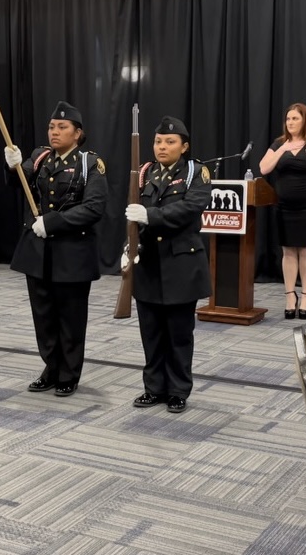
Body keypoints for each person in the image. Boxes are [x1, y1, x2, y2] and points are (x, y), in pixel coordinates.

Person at [3, 101, 108, 397]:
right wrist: (11, 165)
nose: (55, 132)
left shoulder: (90, 164)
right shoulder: (40, 158)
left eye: (62, 127)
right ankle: (51, 367)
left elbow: (94, 208)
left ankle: (69, 373)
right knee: (44, 316)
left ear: (77, 133)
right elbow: (18, 183)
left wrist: (54, 222)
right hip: (38, 252)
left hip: (72, 252)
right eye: (52, 127)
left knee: (70, 317)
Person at [124, 116, 212, 414]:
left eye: (170, 142)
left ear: (184, 146)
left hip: (180, 264)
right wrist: (128, 246)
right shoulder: (145, 173)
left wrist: (151, 216)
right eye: (158, 141)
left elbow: (191, 207)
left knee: (178, 333)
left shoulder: (195, 173)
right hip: (148, 263)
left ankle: (177, 390)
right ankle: (153, 388)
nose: (162, 146)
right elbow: (131, 217)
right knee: (151, 331)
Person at [258, 102, 306, 320]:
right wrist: (283, 148)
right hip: (284, 207)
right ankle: (290, 296)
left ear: (305, 121)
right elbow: (264, 168)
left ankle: (305, 296)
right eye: (288, 119)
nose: (290, 122)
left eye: (295, 119)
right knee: (288, 251)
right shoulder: (279, 144)